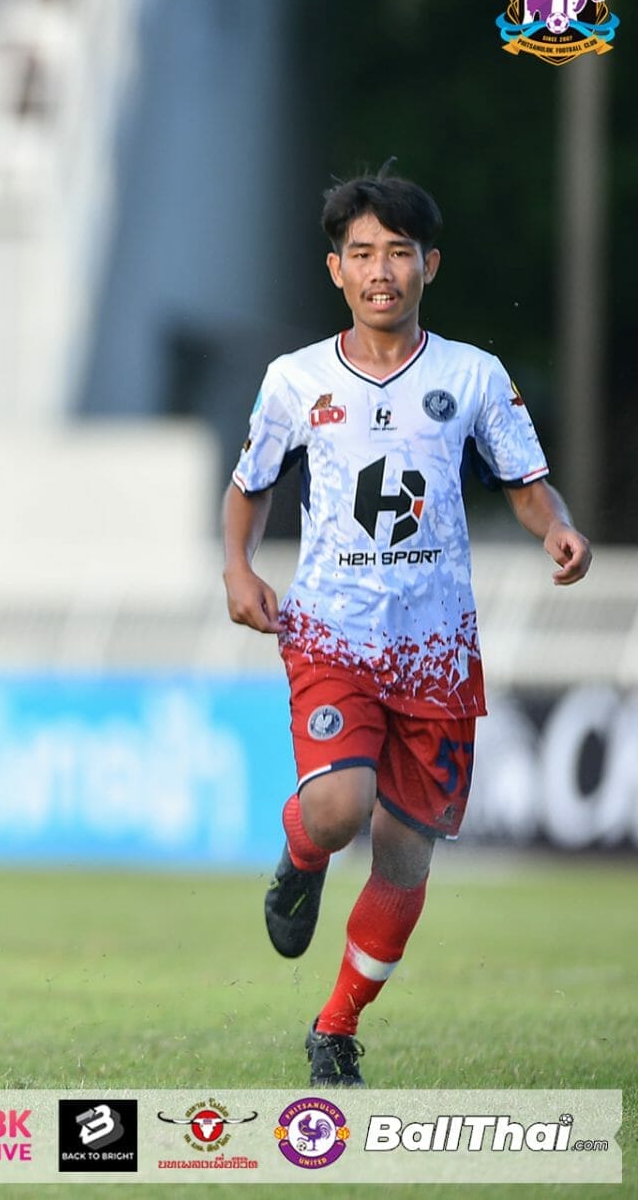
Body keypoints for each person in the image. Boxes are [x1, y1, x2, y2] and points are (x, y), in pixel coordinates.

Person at [223, 171, 591, 1087]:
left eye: (397, 252)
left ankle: (335, 1028)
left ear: (430, 264)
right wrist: (238, 566)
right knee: (339, 811)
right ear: (335, 270)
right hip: (331, 633)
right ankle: (302, 852)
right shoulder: (295, 379)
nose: (380, 270)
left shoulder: (473, 375)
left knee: (403, 855)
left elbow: (525, 483)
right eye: (362, 253)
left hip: (437, 649)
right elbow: (249, 485)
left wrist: (557, 529)